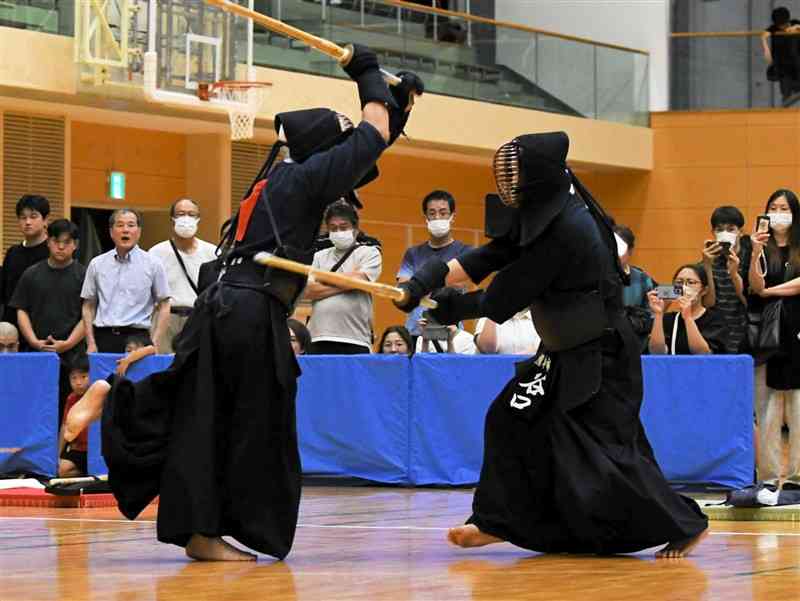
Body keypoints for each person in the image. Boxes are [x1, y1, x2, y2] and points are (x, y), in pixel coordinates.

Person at [64, 46, 422, 561]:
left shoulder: (280, 181)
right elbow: (370, 138)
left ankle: (120, 401)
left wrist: (398, 105)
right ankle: (206, 527)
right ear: (324, 149)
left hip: (223, 306)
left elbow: (371, 148)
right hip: (249, 313)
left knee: (201, 412)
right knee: (249, 426)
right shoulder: (303, 179)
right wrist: (365, 70)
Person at [394, 131, 708, 558]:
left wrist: (449, 308)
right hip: (562, 351)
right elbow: (494, 253)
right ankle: (495, 521)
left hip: (600, 356)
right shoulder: (545, 210)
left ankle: (687, 523)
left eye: (516, 175)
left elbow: (505, 295)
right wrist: (423, 280)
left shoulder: (568, 229)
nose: (508, 185)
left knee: (609, 453)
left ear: (536, 178)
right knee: (510, 419)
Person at [10, 219, 87, 422]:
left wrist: (69, 342)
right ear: (48, 242)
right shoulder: (31, 274)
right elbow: (21, 310)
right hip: (36, 353)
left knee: (69, 411)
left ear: (75, 245)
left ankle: (64, 452)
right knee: (33, 407)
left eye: (67, 242)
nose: (61, 246)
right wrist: (34, 340)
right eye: (56, 241)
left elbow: (88, 314)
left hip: (72, 356)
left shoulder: (84, 275)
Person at [749, 189, 800, 489]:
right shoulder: (756, 245)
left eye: (785, 207)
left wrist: (771, 291)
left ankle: (795, 477)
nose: (779, 212)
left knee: (797, 408)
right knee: (766, 408)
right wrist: (755, 251)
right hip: (765, 335)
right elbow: (755, 286)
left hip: (796, 331)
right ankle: (768, 477)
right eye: (773, 207)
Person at [80, 209, 171, 354]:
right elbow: (88, 306)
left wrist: (155, 342)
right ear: (111, 232)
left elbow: (165, 305)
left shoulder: (153, 264)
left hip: (138, 338)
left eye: (131, 225)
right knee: (104, 378)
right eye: (120, 225)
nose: (125, 230)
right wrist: (90, 342)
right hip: (104, 337)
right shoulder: (97, 264)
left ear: (139, 231)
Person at [304, 201, 382, 354]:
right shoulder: (318, 256)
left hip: (356, 338)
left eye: (344, 227)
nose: (338, 231)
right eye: (333, 228)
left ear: (355, 229)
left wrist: (324, 279)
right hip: (318, 337)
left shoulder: (370, 253)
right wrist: (349, 284)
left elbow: (360, 280)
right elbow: (308, 291)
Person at [397, 190, 472, 340]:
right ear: (425, 218)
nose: (437, 217)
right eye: (432, 213)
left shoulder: (466, 251)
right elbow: (403, 290)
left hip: (451, 330)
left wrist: (420, 286)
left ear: (452, 217)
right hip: (415, 331)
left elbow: (460, 285)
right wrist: (443, 284)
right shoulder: (413, 253)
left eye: (443, 213)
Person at [149, 199, 218, 353]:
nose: (186, 218)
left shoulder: (211, 252)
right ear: (172, 219)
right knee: (163, 367)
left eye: (191, 214)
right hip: (165, 319)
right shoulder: (156, 253)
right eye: (181, 214)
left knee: (195, 368)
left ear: (198, 219)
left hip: (197, 318)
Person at [701, 206, 752, 354]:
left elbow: (750, 302)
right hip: (717, 336)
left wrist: (734, 273)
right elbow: (708, 303)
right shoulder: (709, 259)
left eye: (731, 229)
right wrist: (707, 267)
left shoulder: (751, 257)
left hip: (746, 335)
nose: (725, 234)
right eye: (719, 229)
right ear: (713, 233)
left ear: (740, 232)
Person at [647, 263, 727, 355]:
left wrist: (688, 318)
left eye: (691, 282)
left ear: (704, 290)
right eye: (679, 282)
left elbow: (703, 354)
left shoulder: (715, 320)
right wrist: (658, 314)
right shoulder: (668, 319)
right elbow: (656, 353)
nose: (684, 287)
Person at [1, 195, 51, 329]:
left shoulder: (54, 253)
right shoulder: (12, 253)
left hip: (42, 329)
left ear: (45, 220)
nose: (28, 222)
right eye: (23, 217)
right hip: (11, 330)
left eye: (33, 216)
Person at [58, 356, 91, 478]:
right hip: (78, 450)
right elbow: (65, 427)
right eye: (74, 378)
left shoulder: (100, 395)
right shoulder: (71, 399)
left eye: (83, 377)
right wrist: (58, 455)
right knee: (61, 470)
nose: (78, 382)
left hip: (96, 451)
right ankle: (86, 475)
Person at [762, 7, 800, 106]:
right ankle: (784, 116)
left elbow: (797, 25)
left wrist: (796, 28)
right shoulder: (774, 28)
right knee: (786, 96)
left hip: (797, 66)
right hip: (784, 69)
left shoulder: (795, 23)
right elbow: (764, 35)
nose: (782, 27)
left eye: (784, 24)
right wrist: (766, 48)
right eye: (780, 25)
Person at [474, 309, 540, 355]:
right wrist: (492, 312)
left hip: (530, 373)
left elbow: (540, 351)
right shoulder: (487, 318)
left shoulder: (538, 318)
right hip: (496, 372)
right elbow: (487, 348)